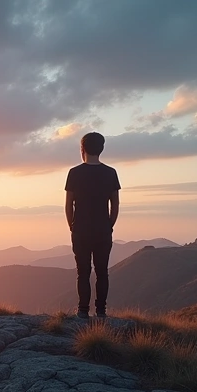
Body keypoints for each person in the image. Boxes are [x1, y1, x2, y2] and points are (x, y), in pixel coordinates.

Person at [64, 131, 120, 319]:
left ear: (82, 149)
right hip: (103, 230)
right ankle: (101, 311)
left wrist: (72, 225)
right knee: (102, 272)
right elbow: (115, 204)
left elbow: (68, 204)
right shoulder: (111, 173)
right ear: (102, 148)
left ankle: (82, 311)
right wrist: (109, 225)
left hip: (80, 229)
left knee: (83, 272)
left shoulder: (74, 173)